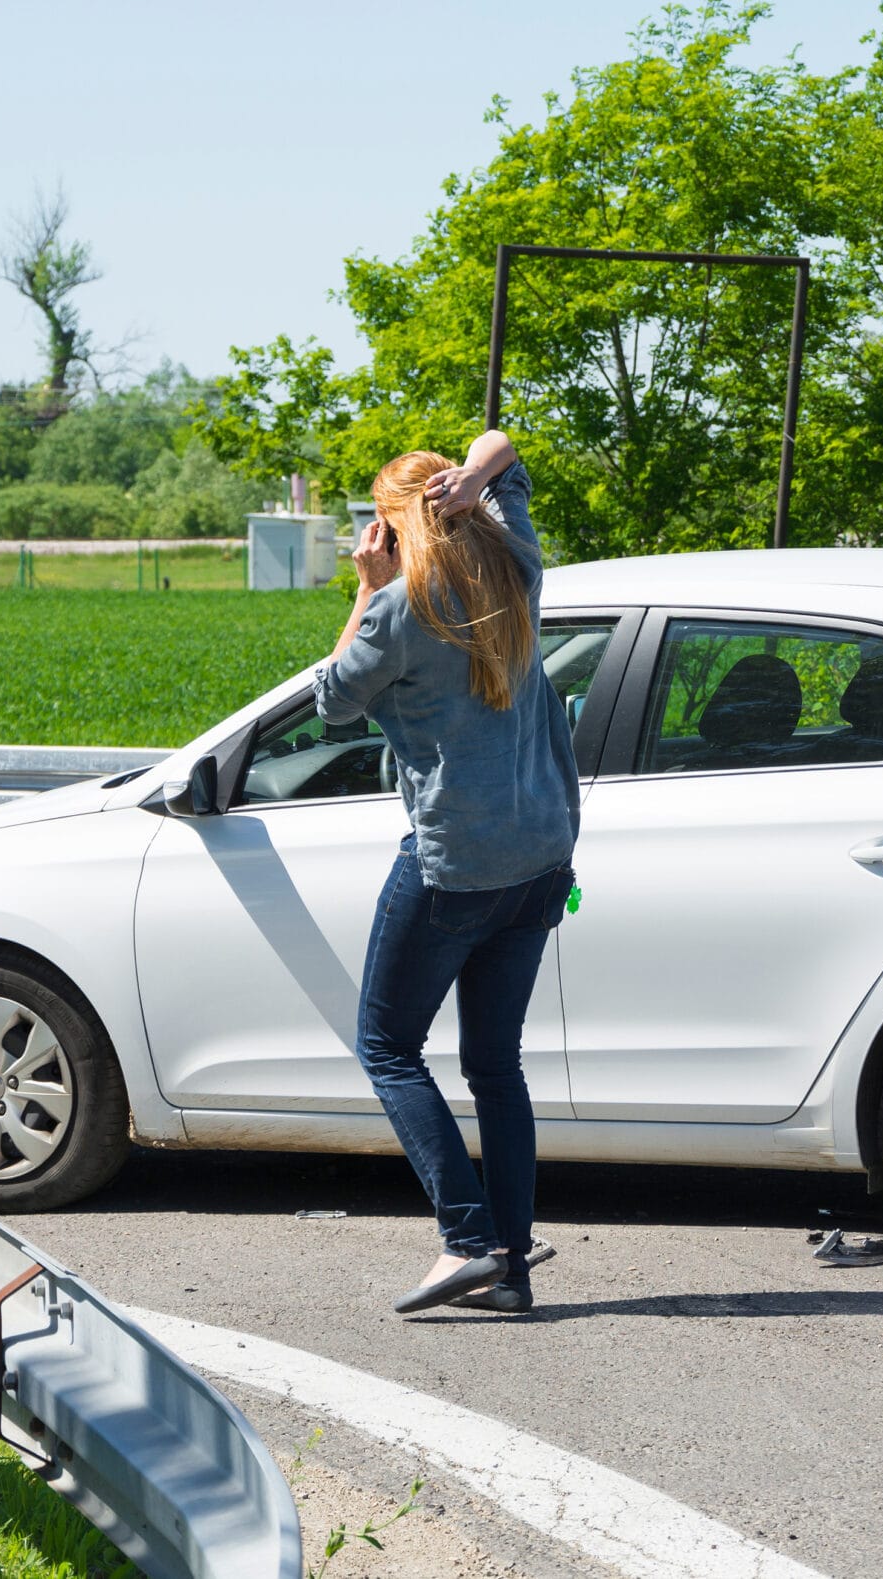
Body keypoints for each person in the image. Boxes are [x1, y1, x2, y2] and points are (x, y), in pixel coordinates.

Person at [315, 428, 579, 1315]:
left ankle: (468, 1240)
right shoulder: (517, 569)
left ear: (391, 527)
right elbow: (508, 447)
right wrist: (475, 478)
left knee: (387, 1048)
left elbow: (330, 704)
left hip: (454, 865)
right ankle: (510, 1273)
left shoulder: (400, 612)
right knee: (495, 1065)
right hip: (541, 859)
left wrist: (365, 586)